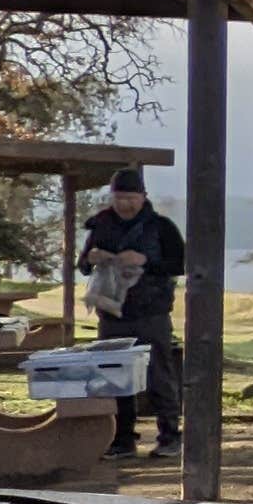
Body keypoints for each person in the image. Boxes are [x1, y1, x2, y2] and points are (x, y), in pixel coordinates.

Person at [78, 168, 188, 459]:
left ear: (143, 197)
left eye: (131, 198)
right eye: (119, 198)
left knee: (160, 375)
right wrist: (92, 258)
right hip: (112, 314)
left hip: (152, 313)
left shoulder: (161, 227)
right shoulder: (100, 224)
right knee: (114, 378)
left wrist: (146, 261)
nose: (125, 204)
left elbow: (180, 264)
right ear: (112, 197)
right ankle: (122, 439)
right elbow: (83, 264)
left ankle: (170, 436)